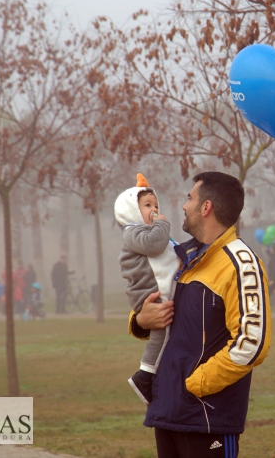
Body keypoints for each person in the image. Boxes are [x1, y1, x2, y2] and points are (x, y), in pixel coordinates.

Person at [129, 171, 271, 458]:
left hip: (206, 418)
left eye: (190, 198)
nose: (183, 205)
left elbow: (252, 342)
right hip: (168, 411)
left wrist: (194, 384)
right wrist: (140, 320)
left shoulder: (241, 263)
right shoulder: (184, 255)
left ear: (206, 208)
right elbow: (158, 310)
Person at [115, 173, 181, 405]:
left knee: (165, 333)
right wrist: (162, 222)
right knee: (161, 333)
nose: (154, 209)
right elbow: (154, 245)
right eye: (147, 205)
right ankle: (145, 375)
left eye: (156, 205)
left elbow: (173, 250)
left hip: (156, 288)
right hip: (148, 291)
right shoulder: (134, 232)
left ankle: (149, 375)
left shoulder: (151, 232)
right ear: (131, 210)